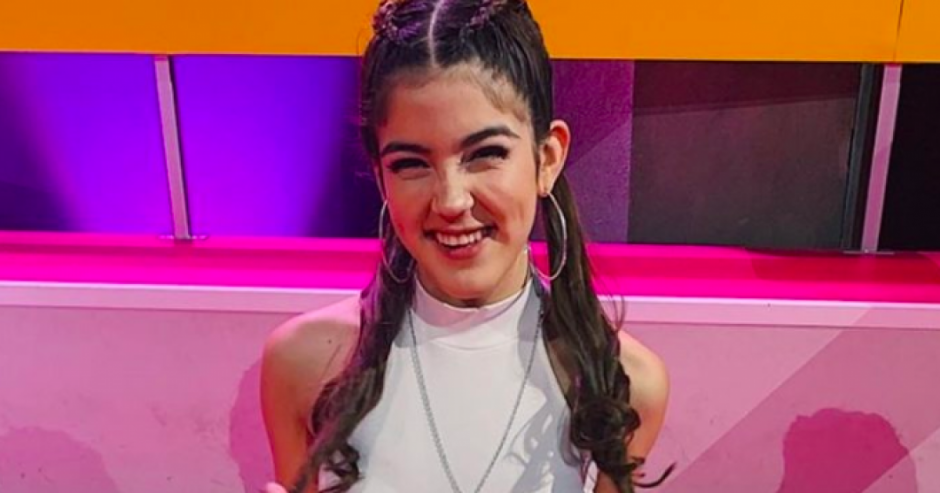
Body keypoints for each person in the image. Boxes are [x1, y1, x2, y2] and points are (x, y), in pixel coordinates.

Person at [260, 0, 671, 491]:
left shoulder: (623, 385)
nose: (451, 200)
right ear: (381, 175)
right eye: (411, 163)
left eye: (485, 154)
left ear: (547, 158)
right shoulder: (305, 362)